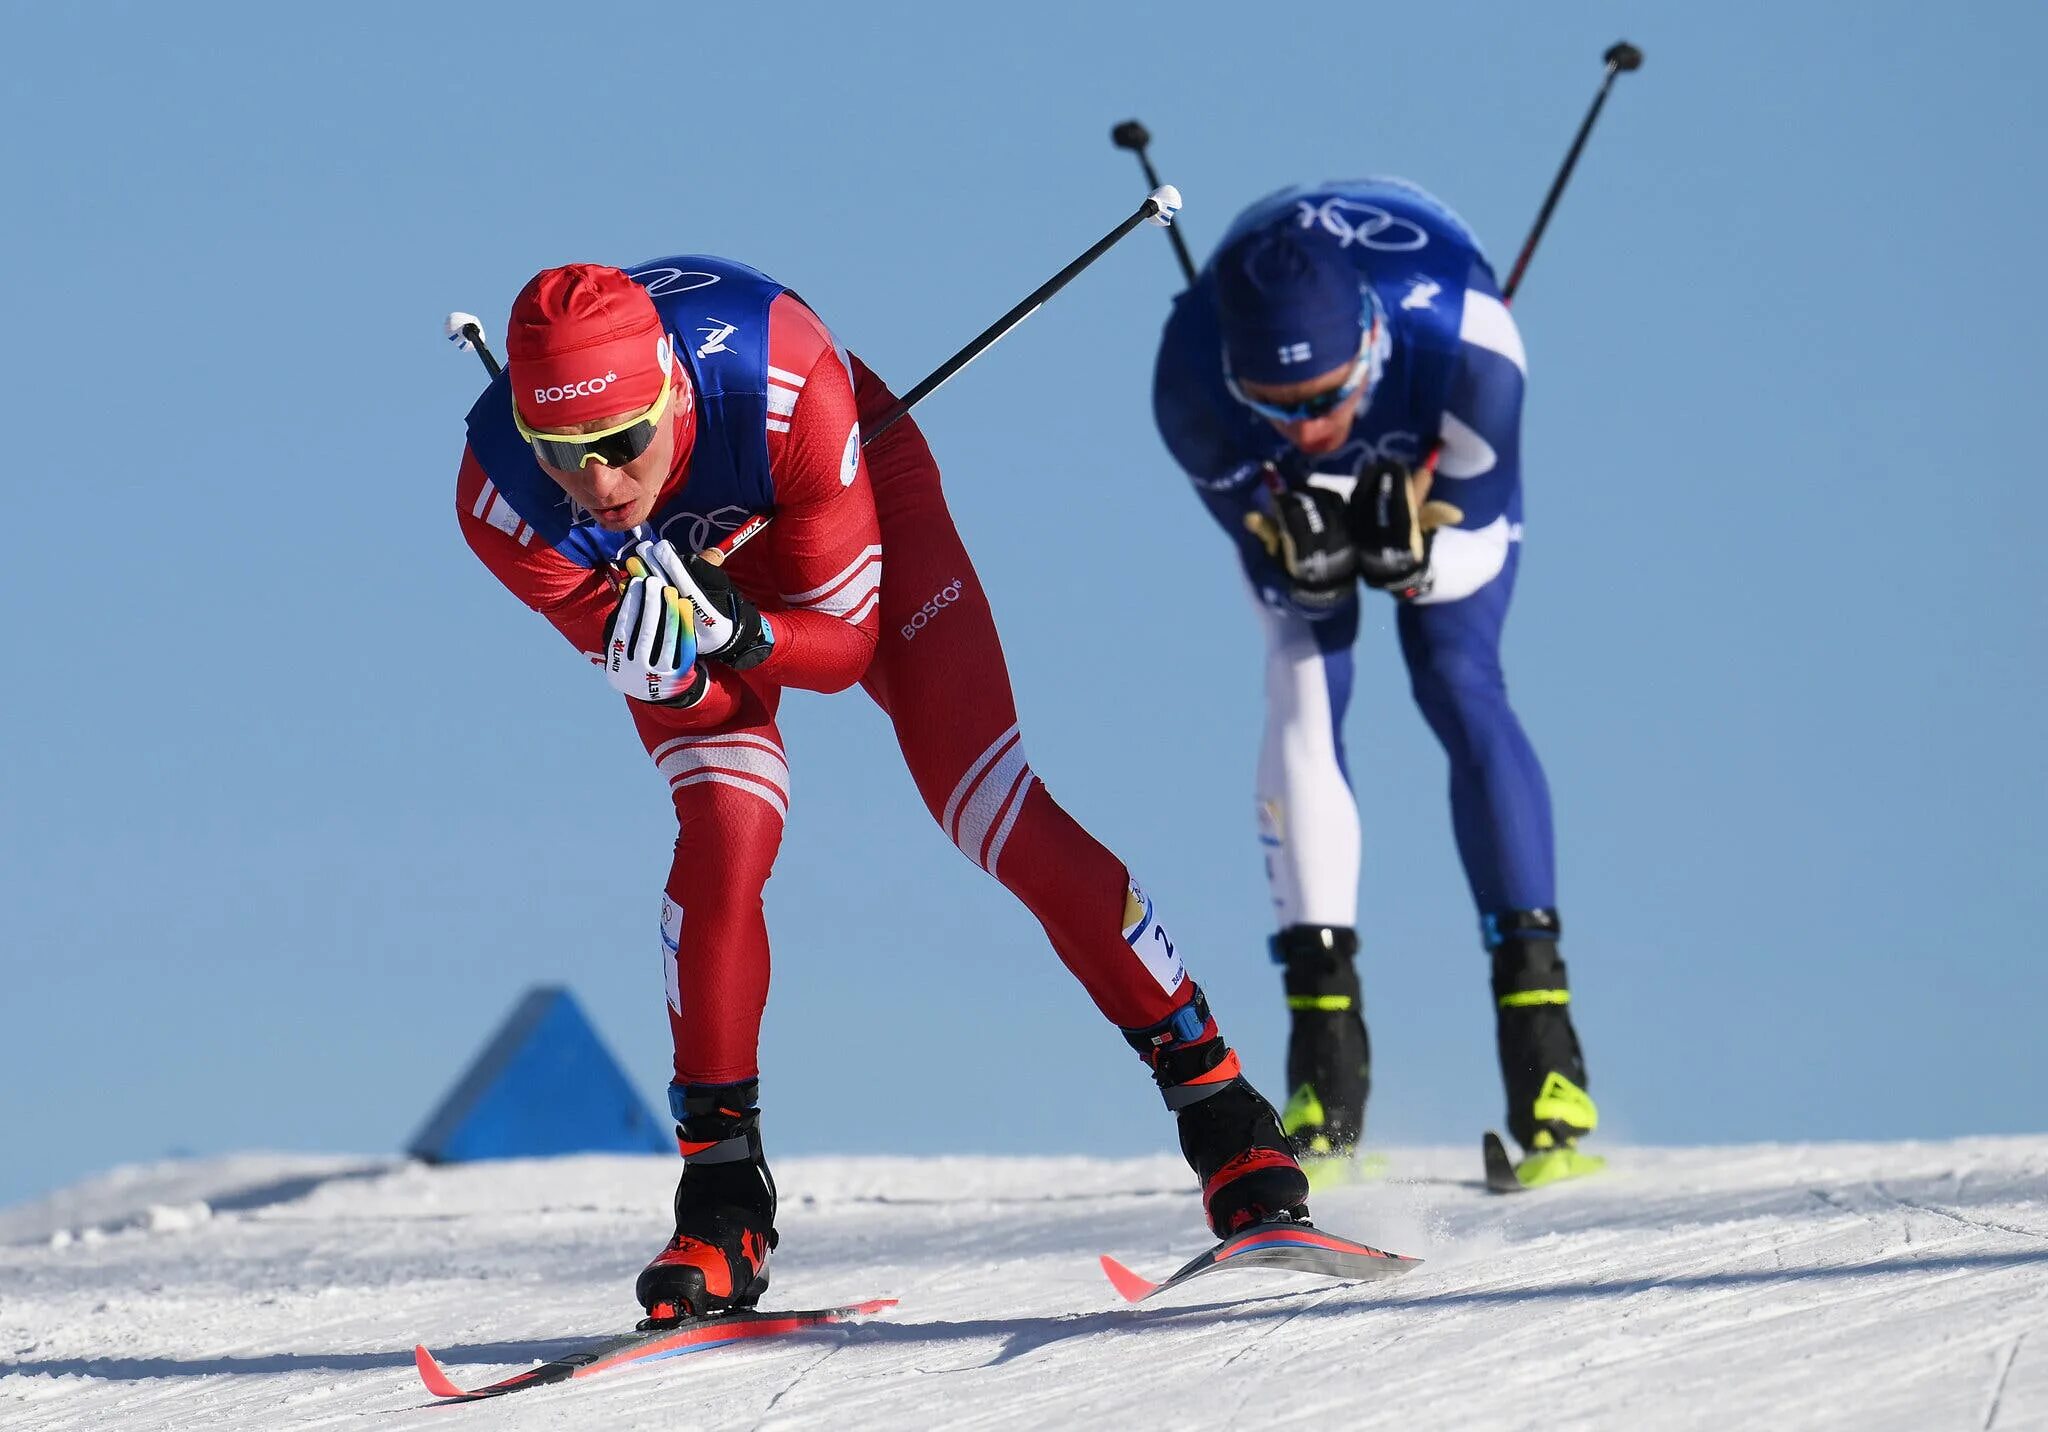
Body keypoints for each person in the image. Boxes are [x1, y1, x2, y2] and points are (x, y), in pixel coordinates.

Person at [454, 257, 1308, 1323]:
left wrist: (743, 632)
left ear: (670, 389)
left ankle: (1221, 1108)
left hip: (837, 506)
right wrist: (669, 663)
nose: (599, 483)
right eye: (563, 454)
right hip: (692, 588)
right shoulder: (500, 496)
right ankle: (722, 1198)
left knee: (985, 802)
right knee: (724, 824)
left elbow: (844, 645)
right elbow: (627, 646)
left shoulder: (782, 378)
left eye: (623, 443)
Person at [1150, 178, 1597, 1182]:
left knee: (1453, 670)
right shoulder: (1185, 383)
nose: (1307, 429)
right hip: (1321, 462)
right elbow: (1264, 535)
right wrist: (1285, 533)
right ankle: (1323, 1067)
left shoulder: (1472, 346)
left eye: (1325, 398)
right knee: (1305, 668)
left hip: (1436, 440)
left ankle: (1543, 1055)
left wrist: (1412, 541)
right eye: (1275, 406)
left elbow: (1466, 530)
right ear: (1235, 379)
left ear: (1370, 344)